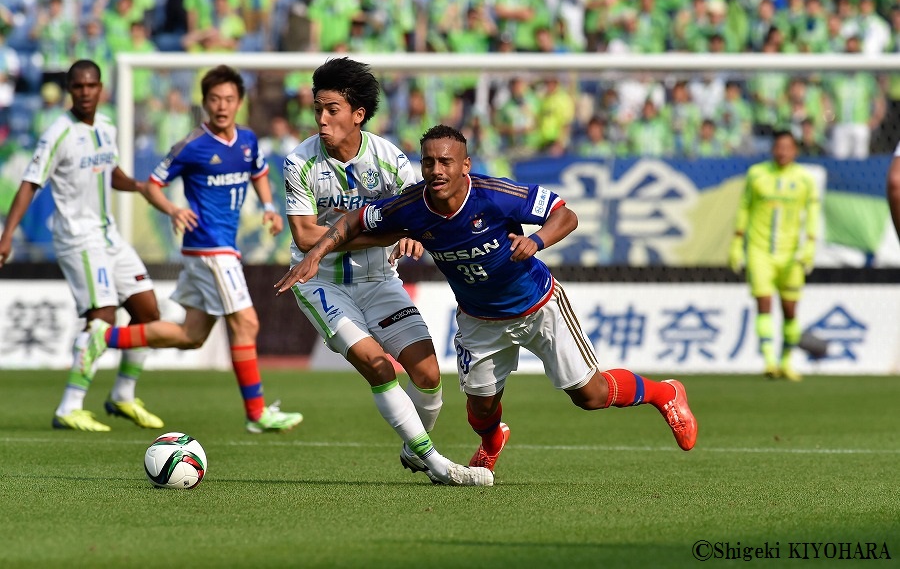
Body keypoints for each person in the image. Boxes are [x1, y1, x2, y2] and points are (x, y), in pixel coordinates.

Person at [277, 124, 698, 474]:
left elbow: (565, 215)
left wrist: (536, 241)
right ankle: (493, 441)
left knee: (589, 396)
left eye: (446, 162)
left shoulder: (495, 194)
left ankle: (664, 393)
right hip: (479, 320)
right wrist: (315, 253)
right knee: (478, 412)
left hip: (538, 306)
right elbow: (355, 219)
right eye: (428, 162)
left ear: (465, 166)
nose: (437, 170)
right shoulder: (412, 207)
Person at [274, 58, 492, 487]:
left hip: (379, 282)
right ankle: (437, 465)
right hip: (322, 283)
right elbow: (303, 237)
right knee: (379, 366)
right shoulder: (298, 162)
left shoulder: (390, 158)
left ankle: (415, 447)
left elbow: (414, 219)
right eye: (317, 109)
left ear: (357, 115)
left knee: (429, 374)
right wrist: (383, 234)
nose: (321, 119)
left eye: (331, 110)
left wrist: (405, 234)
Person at [79, 65, 303, 433]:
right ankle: (258, 413)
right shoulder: (192, 145)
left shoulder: (247, 141)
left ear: (240, 103)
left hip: (218, 250)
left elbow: (259, 171)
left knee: (191, 336)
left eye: (229, 99)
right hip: (209, 248)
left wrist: (267, 207)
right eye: (215, 99)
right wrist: (172, 209)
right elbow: (152, 185)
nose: (222, 106)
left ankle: (103, 337)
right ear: (204, 103)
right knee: (247, 323)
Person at [0, 59, 164, 432]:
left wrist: (138, 186)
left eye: (92, 86)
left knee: (148, 312)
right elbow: (30, 182)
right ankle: (69, 406)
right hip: (78, 238)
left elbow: (112, 173)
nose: (86, 92)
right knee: (102, 316)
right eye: (78, 87)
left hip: (109, 234)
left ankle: (123, 395)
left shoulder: (106, 126)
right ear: (70, 90)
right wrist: (7, 235)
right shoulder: (58, 133)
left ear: (101, 88)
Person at [728, 130, 819, 381]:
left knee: (790, 309)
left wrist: (810, 245)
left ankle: (786, 361)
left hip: (791, 254)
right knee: (764, 302)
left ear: (795, 151)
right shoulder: (757, 174)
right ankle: (769, 361)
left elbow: (812, 213)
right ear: (773, 149)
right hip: (760, 251)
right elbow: (744, 207)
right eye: (778, 147)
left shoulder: (804, 179)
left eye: (787, 147)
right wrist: (737, 242)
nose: (782, 152)